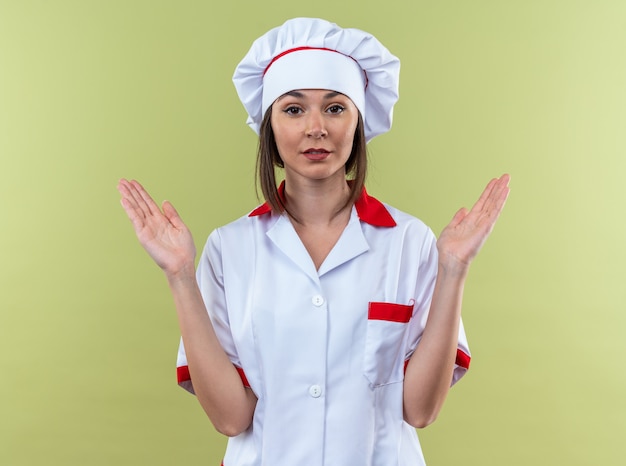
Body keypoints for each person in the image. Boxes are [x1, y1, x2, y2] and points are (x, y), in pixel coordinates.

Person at [117, 17, 510, 466]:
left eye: (336, 108)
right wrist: (180, 276)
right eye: (294, 109)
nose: (316, 128)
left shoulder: (411, 242)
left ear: (359, 122)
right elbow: (231, 418)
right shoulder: (229, 248)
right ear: (270, 126)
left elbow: (420, 411)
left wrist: (454, 269)